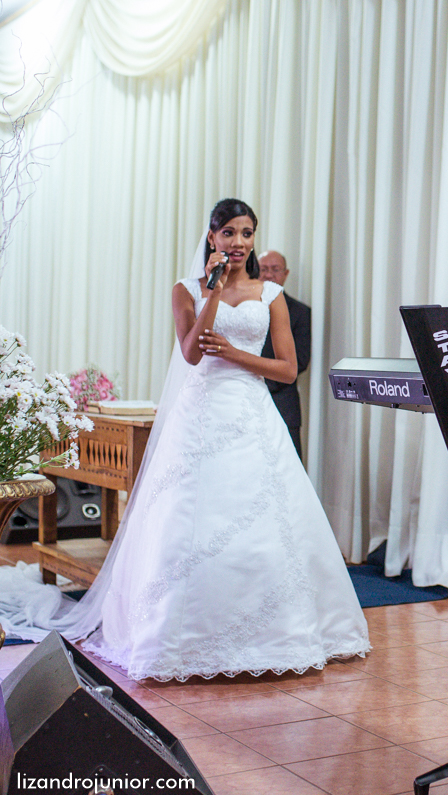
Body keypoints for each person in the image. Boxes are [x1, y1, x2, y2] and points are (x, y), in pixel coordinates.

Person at [66, 199, 369, 682]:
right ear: (211, 238)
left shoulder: (270, 294)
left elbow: (288, 370)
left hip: (251, 412)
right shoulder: (185, 290)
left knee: (265, 521)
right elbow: (189, 354)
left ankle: (279, 632)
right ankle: (177, 636)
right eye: (229, 233)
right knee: (188, 520)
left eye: (247, 233)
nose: (239, 242)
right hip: (200, 414)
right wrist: (212, 293)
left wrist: (234, 353)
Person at [258, 250, 312, 460]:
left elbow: (300, 360)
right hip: (243, 403)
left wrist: (259, 380)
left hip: (283, 404)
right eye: (263, 269)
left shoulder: (300, 312)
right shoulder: (242, 307)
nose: (269, 275)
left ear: (286, 273)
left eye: (275, 269)